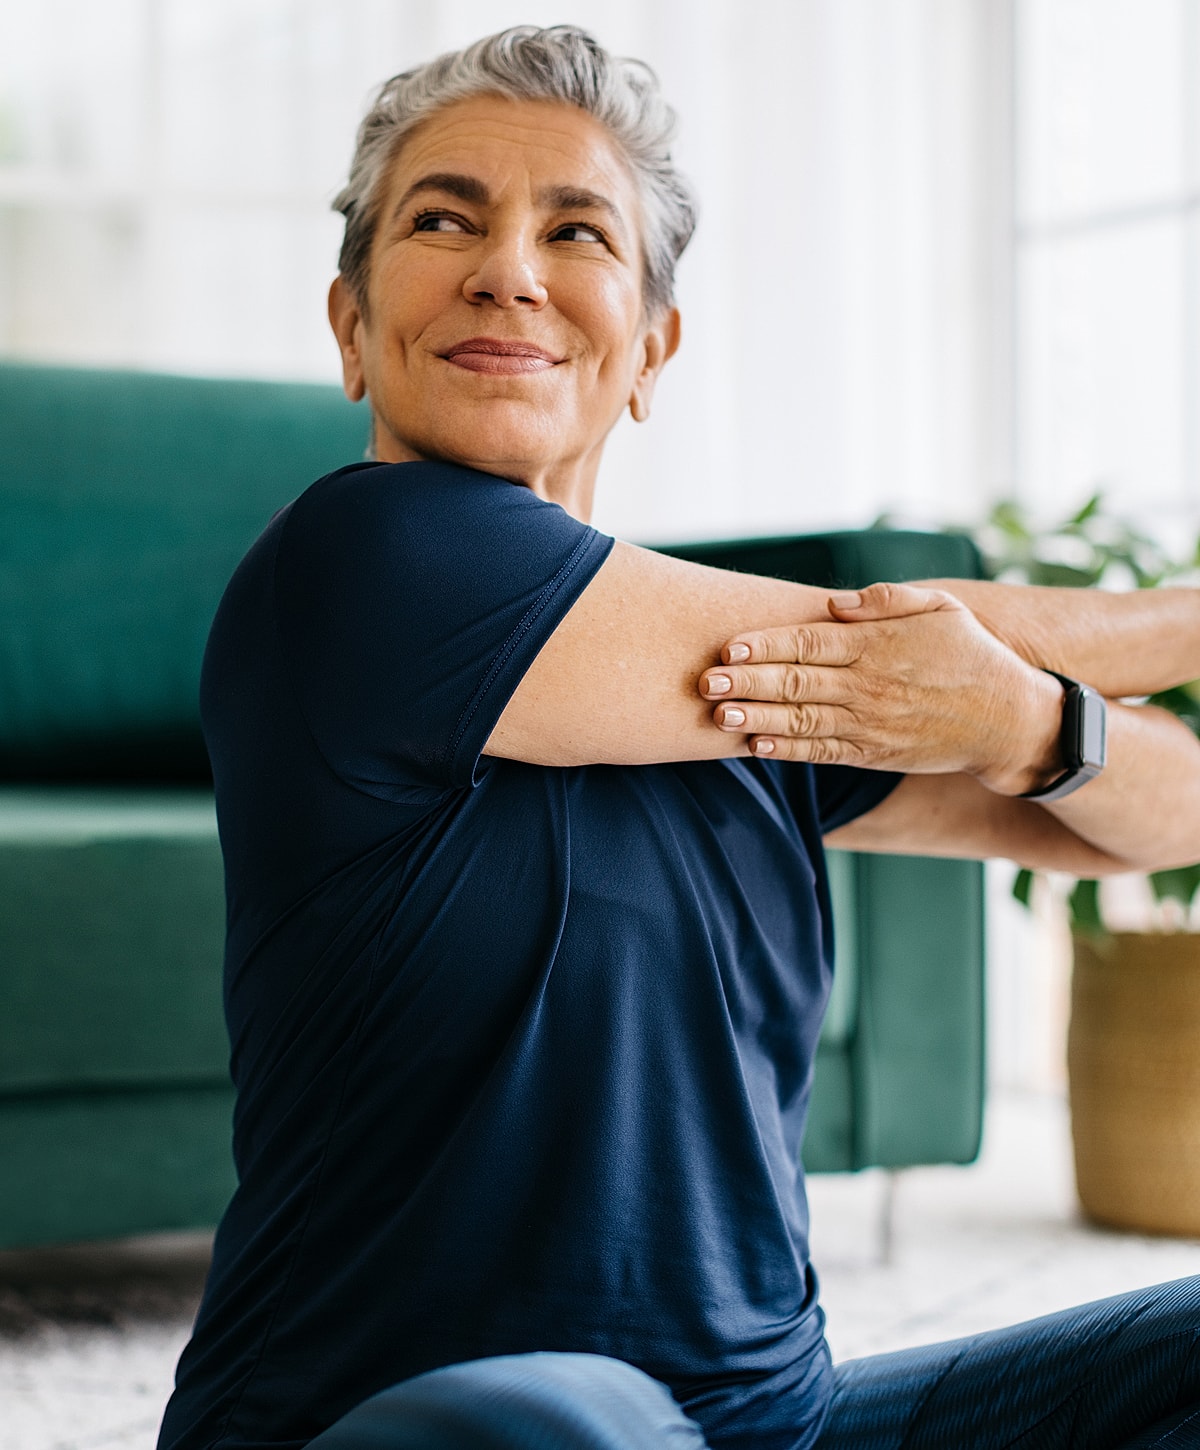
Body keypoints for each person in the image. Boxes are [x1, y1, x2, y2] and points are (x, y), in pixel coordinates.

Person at [157, 25, 1200, 1450]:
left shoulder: (758, 691)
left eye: (573, 229)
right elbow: (865, 637)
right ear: (351, 326)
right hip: (422, 1423)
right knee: (574, 1416)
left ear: (650, 347)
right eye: (444, 217)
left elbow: (1162, 817)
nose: (507, 268)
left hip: (779, 1423)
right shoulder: (356, 564)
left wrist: (1026, 718)